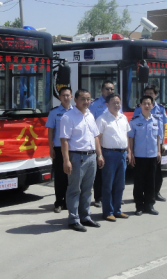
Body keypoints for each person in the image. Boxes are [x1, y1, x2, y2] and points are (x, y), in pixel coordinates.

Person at [60, 89, 104, 232]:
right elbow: (64, 140)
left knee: (87, 189)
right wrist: (66, 160)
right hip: (76, 157)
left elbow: (96, 136)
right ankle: (74, 219)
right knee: (74, 189)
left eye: (89, 99)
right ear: (76, 100)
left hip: (91, 156)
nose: (87, 102)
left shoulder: (90, 115)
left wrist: (99, 155)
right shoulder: (68, 117)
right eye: (83, 99)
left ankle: (85, 216)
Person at [95, 93, 130, 222]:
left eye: (118, 102)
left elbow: (126, 136)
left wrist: (129, 151)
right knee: (108, 184)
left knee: (120, 184)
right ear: (107, 105)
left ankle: (117, 210)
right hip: (109, 154)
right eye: (114, 103)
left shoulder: (123, 118)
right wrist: (99, 155)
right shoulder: (102, 119)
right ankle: (108, 211)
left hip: (122, 153)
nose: (117, 105)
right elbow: (97, 138)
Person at [132, 85, 167, 202]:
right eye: (146, 93)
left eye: (150, 93)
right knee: (141, 176)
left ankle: (155, 193)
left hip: (155, 147)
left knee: (156, 173)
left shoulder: (160, 109)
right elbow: (134, 127)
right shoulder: (139, 109)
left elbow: (162, 127)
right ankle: (141, 199)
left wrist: (163, 143)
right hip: (142, 149)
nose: (148, 95)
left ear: (155, 95)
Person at [128, 95, 162, 216]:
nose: (147, 106)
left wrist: (158, 151)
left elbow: (158, 137)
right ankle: (139, 206)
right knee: (139, 182)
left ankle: (149, 205)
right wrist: (130, 153)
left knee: (150, 182)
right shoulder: (135, 121)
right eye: (144, 103)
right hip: (139, 156)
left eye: (149, 104)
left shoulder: (156, 121)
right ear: (140, 105)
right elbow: (130, 138)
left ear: (152, 106)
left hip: (152, 156)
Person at [88, 80, 120, 208]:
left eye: (112, 89)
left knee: (114, 173)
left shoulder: (117, 104)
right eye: (107, 89)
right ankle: (99, 198)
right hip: (100, 143)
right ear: (102, 90)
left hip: (114, 144)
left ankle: (113, 197)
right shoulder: (95, 105)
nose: (110, 91)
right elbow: (91, 125)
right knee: (101, 172)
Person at [45, 87, 74, 213]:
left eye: (68, 95)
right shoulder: (54, 112)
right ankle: (59, 202)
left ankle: (69, 201)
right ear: (59, 97)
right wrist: (51, 148)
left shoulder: (76, 111)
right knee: (60, 176)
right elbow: (50, 130)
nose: (66, 97)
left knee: (71, 177)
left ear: (71, 97)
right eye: (63, 95)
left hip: (73, 148)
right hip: (58, 147)